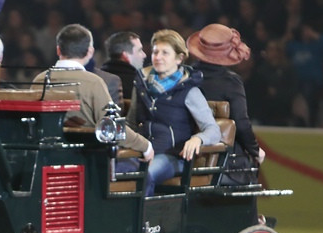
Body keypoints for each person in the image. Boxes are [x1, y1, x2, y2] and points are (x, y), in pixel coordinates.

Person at [33, 23, 152, 159]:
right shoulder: (94, 83)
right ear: (90, 52)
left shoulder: (39, 80)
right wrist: (145, 146)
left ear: (58, 50)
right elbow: (113, 129)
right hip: (86, 162)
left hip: (44, 158)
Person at [129, 29, 221, 195]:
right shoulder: (141, 84)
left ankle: (144, 221)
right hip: (140, 150)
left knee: (146, 174)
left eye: (165, 53)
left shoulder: (189, 91)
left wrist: (198, 139)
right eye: (155, 52)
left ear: (179, 58)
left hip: (172, 156)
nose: (158, 57)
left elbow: (213, 130)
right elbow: (131, 123)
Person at [185, 24, 265, 183]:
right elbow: (241, 124)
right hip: (222, 162)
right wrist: (255, 150)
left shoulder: (184, 75)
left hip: (186, 154)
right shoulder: (230, 82)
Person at [101, 30, 146, 102]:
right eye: (139, 50)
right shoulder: (139, 85)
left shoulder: (97, 79)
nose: (144, 55)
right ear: (125, 55)